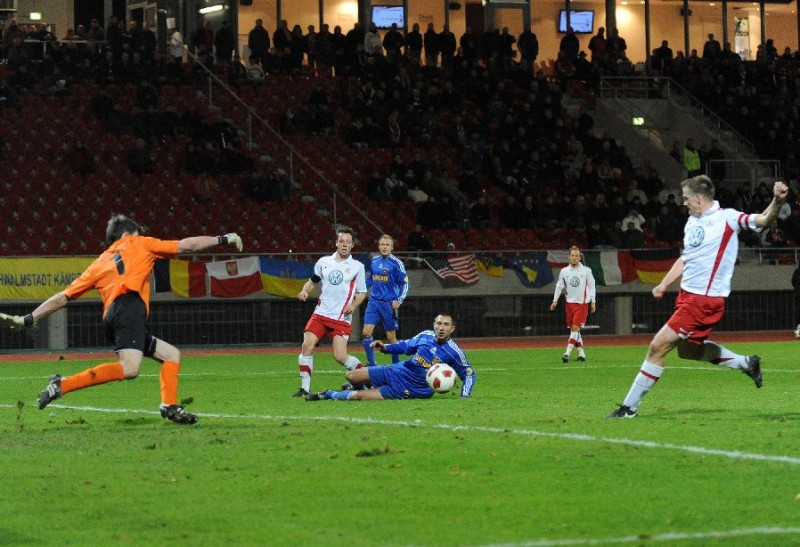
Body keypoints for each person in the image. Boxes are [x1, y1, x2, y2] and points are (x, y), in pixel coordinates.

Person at [0, 215, 243, 424]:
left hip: (113, 315)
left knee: (171, 355)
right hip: (129, 306)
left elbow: (62, 297)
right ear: (127, 233)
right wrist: (223, 239)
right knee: (130, 368)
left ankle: (169, 406)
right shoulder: (139, 242)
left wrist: (28, 319)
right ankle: (62, 384)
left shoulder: (99, 262)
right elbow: (187, 245)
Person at [607, 176, 788, 418]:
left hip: (703, 301)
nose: (684, 203)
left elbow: (764, 219)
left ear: (699, 198)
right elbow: (685, 258)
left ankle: (628, 409)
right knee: (688, 352)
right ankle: (746, 363)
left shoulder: (728, 218)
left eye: (686, 198)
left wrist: (777, 200)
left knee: (657, 347)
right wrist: (663, 283)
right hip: (687, 297)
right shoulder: (693, 222)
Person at [305, 314, 475, 401]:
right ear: (434, 325)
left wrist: (464, 395)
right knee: (351, 376)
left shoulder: (454, 352)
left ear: (452, 329)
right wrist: (386, 348)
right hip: (398, 371)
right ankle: (363, 387)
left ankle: (327, 395)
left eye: (446, 324)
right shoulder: (425, 335)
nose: (441, 327)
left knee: (358, 396)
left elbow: (468, 373)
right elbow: (405, 346)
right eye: (439, 323)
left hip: (412, 389)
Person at [294, 225, 368, 397]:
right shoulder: (323, 262)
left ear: (352, 245)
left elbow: (362, 292)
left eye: (348, 242)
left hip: (341, 317)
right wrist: (305, 290)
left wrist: (354, 306)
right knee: (307, 345)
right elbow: (312, 281)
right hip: (320, 314)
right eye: (341, 241)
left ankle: (367, 376)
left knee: (340, 356)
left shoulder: (357, 266)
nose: (344, 244)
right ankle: (304, 388)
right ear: (336, 243)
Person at [362, 235, 410, 368]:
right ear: (378, 247)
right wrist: (360, 288)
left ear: (392, 247)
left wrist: (399, 300)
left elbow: (405, 284)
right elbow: (370, 279)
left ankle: (396, 366)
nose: (384, 247)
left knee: (390, 337)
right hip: (374, 302)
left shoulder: (397, 264)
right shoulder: (374, 261)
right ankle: (372, 364)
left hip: (389, 304)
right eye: (382, 244)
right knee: (366, 333)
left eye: (387, 245)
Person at [550, 246, 596, 363]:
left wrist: (593, 301)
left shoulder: (586, 271)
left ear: (580, 257)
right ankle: (581, 353)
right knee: (575, 330)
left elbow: (592, 286)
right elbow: (559, 286)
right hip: (569, 304)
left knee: (575, 328)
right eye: (572, 255)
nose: (574, 258)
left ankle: (567, 353)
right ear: (569, 257)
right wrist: (555, 300)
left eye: (576, 256)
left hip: (582, 304)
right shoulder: (564, 271)